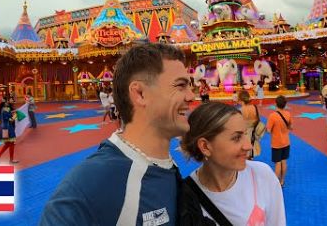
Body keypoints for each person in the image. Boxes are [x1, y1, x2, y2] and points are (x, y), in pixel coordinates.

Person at [40, 43, 195, 225]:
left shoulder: (167, 166)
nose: (191, 96)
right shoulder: (91, 184)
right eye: (180, 86)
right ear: (140, 93)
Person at [180, 102, 286, 225]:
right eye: (236, 138)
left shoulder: (262, 175)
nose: (248, 146)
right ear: (205, 146)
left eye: (245, 134)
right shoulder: (187, 198)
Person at [266, 95, 292, 187]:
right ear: (285, 105)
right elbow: (291, 127)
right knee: (284, 161)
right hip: (286, 142)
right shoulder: (288, 114)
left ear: (276, 104)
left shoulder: (272, 116)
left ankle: (275, 183)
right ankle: (282, 181)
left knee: (278, 163)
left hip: (276, 143)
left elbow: (268, 130)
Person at [238, 90, 261, 159]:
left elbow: (238, 125)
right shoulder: (254, 107)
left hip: (244, 135)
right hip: (253, 135)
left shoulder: (241, 110)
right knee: (251, 156)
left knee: (244, 157)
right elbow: (258, 119)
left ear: (240, 99)